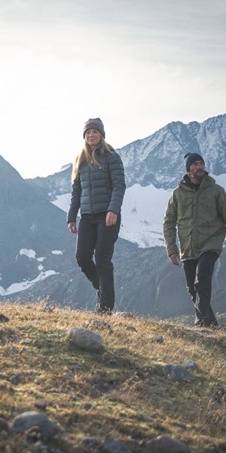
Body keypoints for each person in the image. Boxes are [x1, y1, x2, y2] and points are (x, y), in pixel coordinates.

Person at [163, 152, 226, 327]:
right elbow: (168, 222)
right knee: (192, 288)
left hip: (210, 243)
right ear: (188, 169)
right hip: (188, 247)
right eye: (195, 164)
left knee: (202, 281)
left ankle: (201, 322)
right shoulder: (177, 194)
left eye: (202, 163)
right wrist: (172, 249)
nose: (200, 167)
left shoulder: (216, 191)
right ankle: (211, 325)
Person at [67, 118, 126, 314]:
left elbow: (119, 185)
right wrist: (71, 217)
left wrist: (113, 210)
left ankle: (105, 308)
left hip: (107, 217)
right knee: (82, 258)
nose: (91, 135)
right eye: (88, 132)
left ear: (101, 134)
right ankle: (103, 289)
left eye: (95, 132)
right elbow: (77, 191)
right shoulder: (80, 160)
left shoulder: (111, 157)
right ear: (84, 136)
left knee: (102, 258)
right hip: (87, 217)